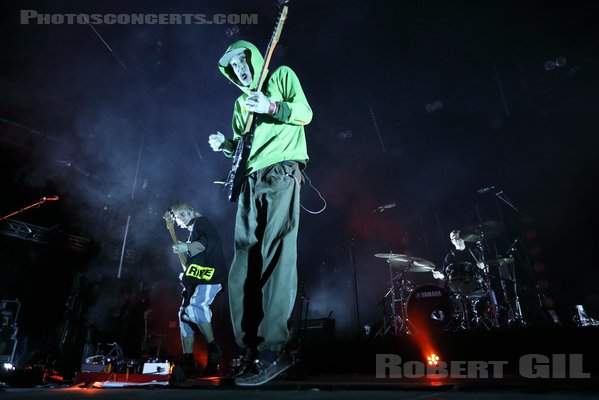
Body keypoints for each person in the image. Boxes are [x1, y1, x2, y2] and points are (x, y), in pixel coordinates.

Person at [208, 39, 312, 386]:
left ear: (254, 58)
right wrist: (226, 145)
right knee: (243, 266)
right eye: (233, 66)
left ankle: (274, 349)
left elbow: (305, 113)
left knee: (276, 255)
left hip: (281, 171)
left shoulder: (280, 76)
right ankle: (250, 350)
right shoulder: (240, 104)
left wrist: (271, 105)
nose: (239, 68)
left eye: (242, 60)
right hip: (250, 181)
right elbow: (242, 148)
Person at [168, 203, 227, 378]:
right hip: (199, 278)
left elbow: (209, 241)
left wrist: (186, 247)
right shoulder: (193, 230)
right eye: (180, 217)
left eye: (185, 214)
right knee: (183, 315)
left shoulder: (201, 222)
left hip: (211, 276)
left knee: (197, 306)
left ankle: (214, 349)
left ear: (193, 211)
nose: (183, 218)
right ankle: (188, 361)